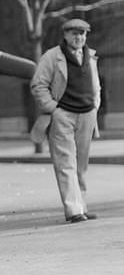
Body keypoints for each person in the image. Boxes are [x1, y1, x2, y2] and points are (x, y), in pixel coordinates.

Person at [30, 18, 102, 224]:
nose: (79, 37)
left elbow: (96, 85)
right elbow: (38, 85)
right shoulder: (52, 57)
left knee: (81, 164)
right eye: (74, 33)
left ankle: (82, 206)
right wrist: (54, 109)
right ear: (65, 35)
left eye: (82, 34)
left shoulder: (91, 56)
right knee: (65, 162)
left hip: (87, 114)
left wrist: (96, 105)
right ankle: (73, 210)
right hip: (63, 116)